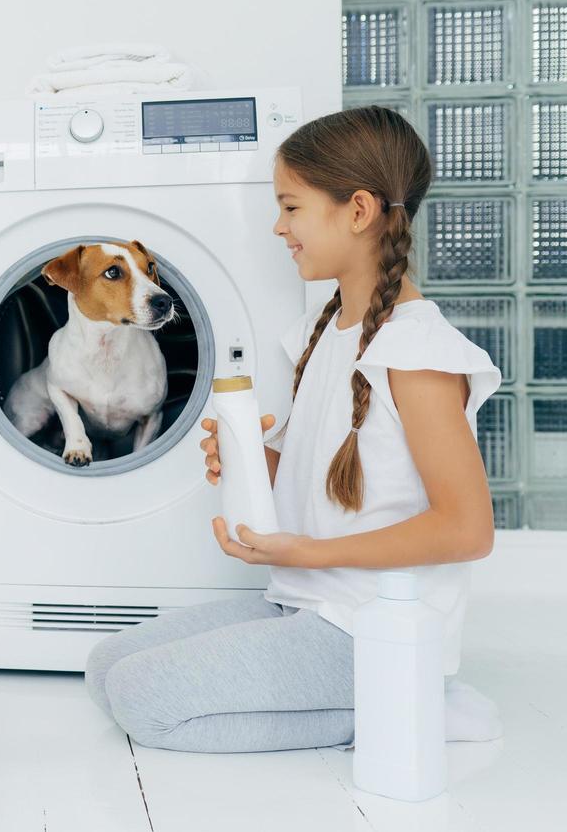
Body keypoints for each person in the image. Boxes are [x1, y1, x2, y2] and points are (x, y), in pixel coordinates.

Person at [84, 106, 504, 753]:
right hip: (305, 601)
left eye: (292, 207)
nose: (279, 227)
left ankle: (411, 703)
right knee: (106, 668)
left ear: (358, 210)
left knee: (144, 699)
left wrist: (308, 554)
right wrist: (252, 462)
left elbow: (467, 529)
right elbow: (336, 486)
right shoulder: (321, 330)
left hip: (371, 626)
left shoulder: (417, 351)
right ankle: (391, 698)